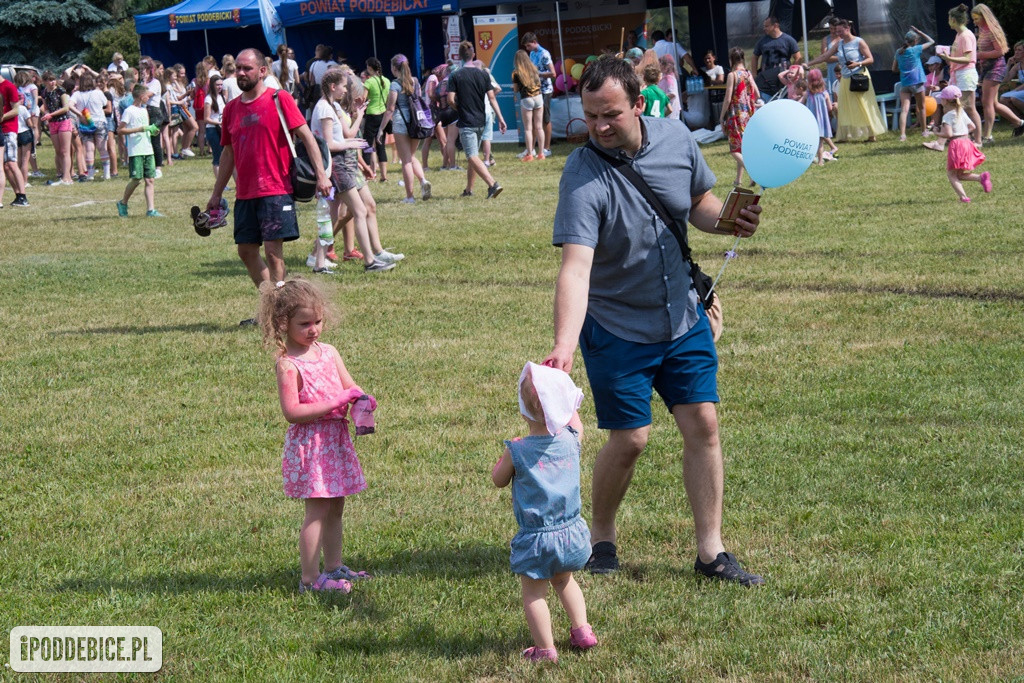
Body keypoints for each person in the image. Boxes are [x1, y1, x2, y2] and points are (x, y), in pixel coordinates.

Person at [545, 56, 764, 586]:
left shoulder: (675, 139)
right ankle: (600, 537)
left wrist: (730, 219)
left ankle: (711, 552)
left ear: (638, 104)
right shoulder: (582, 174)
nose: (598, 127)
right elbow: (576, 268)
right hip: (618, 325)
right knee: (631, 438)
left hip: (683, 314)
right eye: (590, 115)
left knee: (704, 425)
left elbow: (698, 205)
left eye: (611, 115)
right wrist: (563, 346)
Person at [260, 278, 373, 594]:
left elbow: (350, 387)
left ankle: (334, 566)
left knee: (336, 506)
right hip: (312, 446)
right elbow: (292, 412)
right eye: (305, 323)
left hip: (335, 441)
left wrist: (361, 401)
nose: (314, 330)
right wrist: (333, 403)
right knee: (317, 511)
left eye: (318, 322)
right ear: (283, 323)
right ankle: (309, 580)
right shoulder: (288, 365)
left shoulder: (329, 352)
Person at [204, 48, 332, 326]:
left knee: (274, 254)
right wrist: (216, 194)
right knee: (246, 251)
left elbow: (308, 137)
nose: (240, 73)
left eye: (247, 68)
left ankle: (280, 315)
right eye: (237, 68)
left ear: (262, 71)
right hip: (246, 192)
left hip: (276, 189)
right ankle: (273, 308)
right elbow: (227, 154)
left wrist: (322, 175)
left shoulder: (279, 99)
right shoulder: (232, 109)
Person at [491, 362, 597, 664]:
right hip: (573, 533)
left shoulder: (518, 449)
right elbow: (576, 422)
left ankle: (545, 649)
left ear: (523, 411)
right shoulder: (572, 439)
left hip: (537, 540)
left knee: (534, 594)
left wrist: (506, 459)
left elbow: (498, 479)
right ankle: (582, 630)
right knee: (565, 581)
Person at [310, 69, 397, 273]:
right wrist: (350, 144)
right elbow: (328, 144)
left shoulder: (331, 106)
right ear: (333, 87)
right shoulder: (324, 108)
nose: (345, 90)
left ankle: (319, 264)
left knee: (331, 217)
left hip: (337, 165)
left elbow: (339, 138)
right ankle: (370, 261)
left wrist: (351, 139)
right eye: (343, 86)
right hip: (336, 166)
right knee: (359, 211)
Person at [806, 18, 886, 142]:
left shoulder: (859, 42)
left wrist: (858, 64)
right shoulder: (840, 44)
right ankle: (844, 135)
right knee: (844, 107)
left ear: (847, 29)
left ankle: (871, 134)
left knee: (864, 105)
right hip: (846, 79)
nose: (838, 34)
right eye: (836, 31)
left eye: (840, 31)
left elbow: (870, 59)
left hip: (859, 77)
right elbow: (825, 56)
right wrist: (809, 63)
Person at [447, 41, 507, 198]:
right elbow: (492, 97)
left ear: (459, 56)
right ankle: (468, 190)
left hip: (467, 121)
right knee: (473, 156)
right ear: (473, 55)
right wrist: (501, 118)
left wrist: (458, 108)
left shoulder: (455, 75)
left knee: (471, 156)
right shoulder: (483, 74)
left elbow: (450, 100)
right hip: (482, 120)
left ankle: (493, 184)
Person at [376, 54, 431, 203]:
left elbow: (390, 109)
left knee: (406, 160)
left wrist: (381, 129)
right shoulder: (415, 82)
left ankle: (410, 197)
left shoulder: (395, 84)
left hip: (401, 124)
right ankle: (423, 181)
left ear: (394, 68)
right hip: (416, 123)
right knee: (411, 157)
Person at [971, 4, 1024, 140]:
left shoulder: (992, 31)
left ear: (984, 16)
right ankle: (1020, 123)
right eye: (973, 19)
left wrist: (979, 55)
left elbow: (1000, 51)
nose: (974, 21)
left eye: (976, 18)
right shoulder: (983, 31)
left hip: (995, 68)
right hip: (986, 68)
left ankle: (987, 136)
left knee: (986, 103)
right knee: (993, 103)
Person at [934, 85, 992, 203]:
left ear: (946, 100)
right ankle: (981, 178)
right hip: (967, 142)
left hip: (956, 145)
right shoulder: (961, 112)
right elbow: (972, 127)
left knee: (951, 174)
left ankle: (964, 197)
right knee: (959, 174)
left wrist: (937, 133)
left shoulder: (947, 116)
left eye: (942, 99)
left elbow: (948, 134)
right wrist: (962, 132)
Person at [116, 83, 162, 217]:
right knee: (136, 179)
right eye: (147, 96)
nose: (149, 98)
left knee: (150, 180)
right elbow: (120, 130)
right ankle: (123, 202)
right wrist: (140, 129)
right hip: (136, 150)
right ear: (142, 96)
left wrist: (152, 131)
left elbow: (146, 128)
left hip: (148, 149)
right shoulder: (129, 111)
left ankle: (151, 210)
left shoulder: (144, 110)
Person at [940, 4, 982, 147]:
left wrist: (950, 58)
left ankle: (977, 141)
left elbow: (968, 58)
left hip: (966, 74)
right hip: (958, 73)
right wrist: (947, 56)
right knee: (961, 107)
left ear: (953, 19)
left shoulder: (966, 35)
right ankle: (961, 138)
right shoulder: (958, 35)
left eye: (948, 18)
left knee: (968, 107)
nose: (947, 21)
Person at [720, 47, 759, 186]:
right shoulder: (748, 74)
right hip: (748, 114)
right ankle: (738, 180)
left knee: (734, 149)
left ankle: (753, 173)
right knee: (742, 148)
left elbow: (728, 98)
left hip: (735, 115)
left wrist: (721, 116)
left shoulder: (732, 75)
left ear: (731, 59)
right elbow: (757, 94)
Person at [892, 27, 934, 141]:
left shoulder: (898, 52)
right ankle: (924, 132)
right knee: (922, 107)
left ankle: (902, 135)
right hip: (917, 82)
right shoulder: (916, 49)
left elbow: (893, 69)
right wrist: (920, 31)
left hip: (905, 84)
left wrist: (903, 70)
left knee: (904, 110)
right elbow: (931, 41)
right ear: (915, 41)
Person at [71, 73, 110, 181]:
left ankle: (91, 174)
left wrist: (79, 114)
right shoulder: (98, 92)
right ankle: (106, 173)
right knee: (102, 148)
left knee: (89, 149)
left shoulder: (77, 94)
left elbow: (69, 105)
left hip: (85, 124)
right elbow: (105, 103)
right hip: (99, 121)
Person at [521, 32, 554, 157]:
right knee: (534, 120)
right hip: (535, 90)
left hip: (545, 91)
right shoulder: (532, 53)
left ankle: (547, 148)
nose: (527, 49)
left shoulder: (544, 54)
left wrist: (537, 73)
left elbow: (553, 73)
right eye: (526, 47)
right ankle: (531, 148)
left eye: (528, 46)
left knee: (545, 120)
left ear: (535, 42)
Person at [0, 68, 29, 207]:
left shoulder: (8, 86)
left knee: (11, 163)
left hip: (9, 129)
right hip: (2, 129)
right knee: (5, 166)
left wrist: (2, 117)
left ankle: (23, 195)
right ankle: (18, 195)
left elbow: (16, 109)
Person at [40, 71, 75, 185]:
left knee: (65, 151)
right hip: (53, 123)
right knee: (58, 151)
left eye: (53, 79)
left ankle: (67, 177)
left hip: (63, 121)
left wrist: (51, 114)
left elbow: (66, 108)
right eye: (49, 80)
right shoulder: (44, 92)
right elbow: (45, 107)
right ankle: (64, 175)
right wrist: (46, 115)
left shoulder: (61, 91)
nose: (52, 82)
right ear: (44, 82)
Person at [752, 16, 800, 97]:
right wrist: (754, 74)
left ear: (775, 26)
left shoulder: (789, 40)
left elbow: (798, 57)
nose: (764, 28)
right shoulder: (762, 41)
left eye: (767, 26)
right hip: (766, 80)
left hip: (783, 79)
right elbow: (754, 57)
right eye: (764, 26)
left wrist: (792, 73)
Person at [361, 58, 390, 182]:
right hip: (383, 115)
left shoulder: (369, 82)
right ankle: (384, 176)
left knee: (367, 145)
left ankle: (367, 175)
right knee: (381, 145)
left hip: (372, 115)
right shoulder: (387, 81)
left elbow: (363, 99)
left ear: (370, 68)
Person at [512, 50, 544, 161]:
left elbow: (516, 89)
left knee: (528, 129)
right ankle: (541, 153)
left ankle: (530, 154)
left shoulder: (516, 73)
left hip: (527, 99)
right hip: (539, 98)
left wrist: (514, 87)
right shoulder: (534, 69)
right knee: (539, 127)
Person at [801, 69, 838, 164]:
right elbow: (830, 108)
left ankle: (811, 158)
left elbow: (801, 105)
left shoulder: (807, 94)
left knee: (810, 141)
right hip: (821, 121)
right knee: (820, 143)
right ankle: (820, 161)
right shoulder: (825, 94)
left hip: (810, 121)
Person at [203, 74, 225, 178]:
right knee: (217, 157)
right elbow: (206, 118)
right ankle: (219, 183)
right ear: (212, 85)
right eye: (217, 85)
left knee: (225, 156)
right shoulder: (208, 99)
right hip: (212, 130)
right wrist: (219, 123)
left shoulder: (221, 97)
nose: (220, 87)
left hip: (221, 129)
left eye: (221, 85)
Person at [999, 41, 1024, 119]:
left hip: (1020, 90)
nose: (1016, 52)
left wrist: (1015, 91)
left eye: (1019, 50)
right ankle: (1019, 119)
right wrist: (1008, 65)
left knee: (1014, 98)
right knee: (1003, 99)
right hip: (1021, 91)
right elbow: (1005, 80)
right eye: (1015, 50)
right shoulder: (1017, 66)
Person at [659, 55, 682, 121]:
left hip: (671, 109)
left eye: (660, 64)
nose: (658, 66)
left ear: (665, 66)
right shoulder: (665, 76)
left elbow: (672, 94)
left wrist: (659, 98)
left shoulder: (669, 78)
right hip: (668, 108)